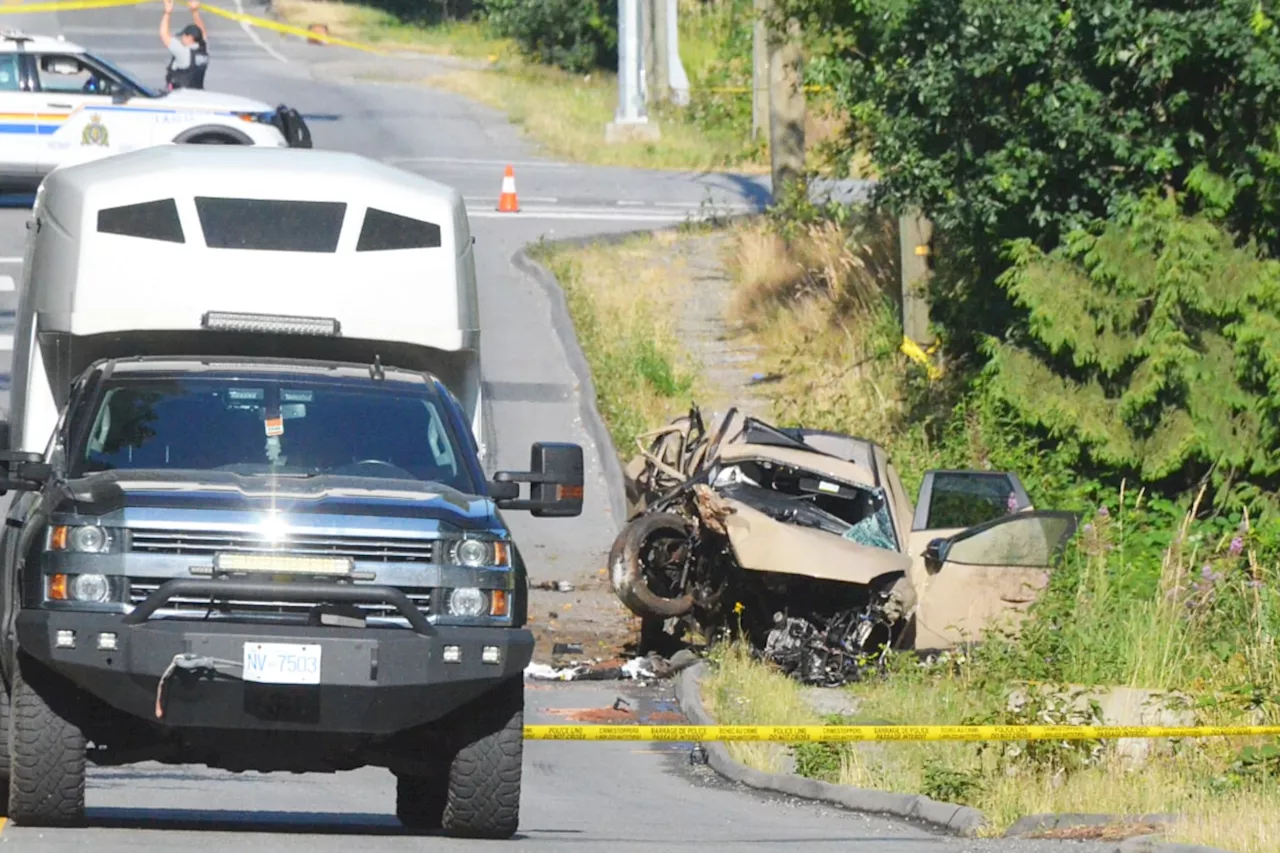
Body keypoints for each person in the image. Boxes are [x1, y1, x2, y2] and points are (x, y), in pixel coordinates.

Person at [160, 0, 209, 90]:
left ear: (189, 37)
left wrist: (167, 12)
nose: (181, 39)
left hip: (179, 96)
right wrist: (195, 11)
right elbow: (203, 33)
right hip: (198, 95)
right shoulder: (203, 50)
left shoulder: (184, 53)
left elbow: (164, 35)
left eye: (183, 36)